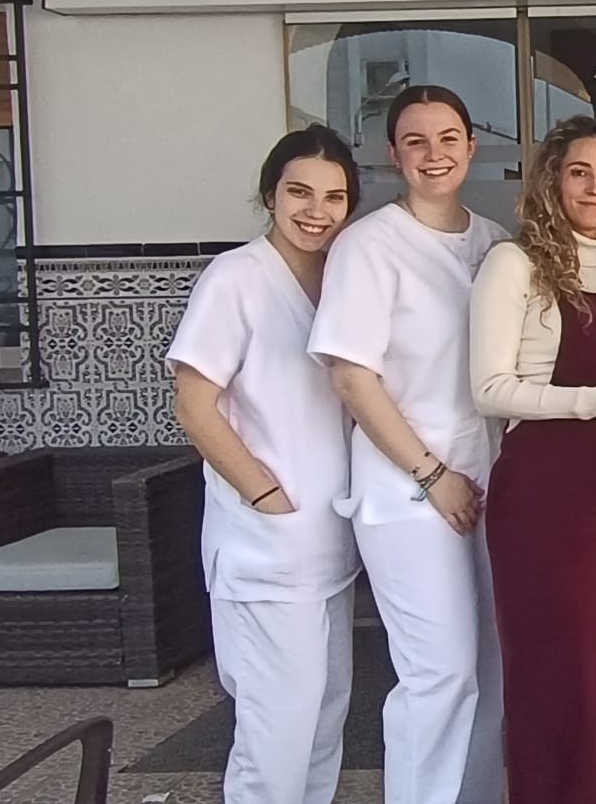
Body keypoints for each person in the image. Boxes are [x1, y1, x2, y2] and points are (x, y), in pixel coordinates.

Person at [308, 86, 511, 804]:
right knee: (439, 672)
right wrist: (432, 474)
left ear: (471, 147)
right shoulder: (369, 245)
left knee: (493, 668)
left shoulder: (494, 242)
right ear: (393, 155)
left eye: (448, 138)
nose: (434, 154)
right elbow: (351, 376)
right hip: (409, 493)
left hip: (490, 482)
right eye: (416, 141)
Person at [469, 116, 596, 803]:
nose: (595, 187)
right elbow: (489, 389)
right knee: (557, 670)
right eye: (579, 172)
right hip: (545, 497)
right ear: (552, 180)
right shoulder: (515, 263)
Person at [167, 125, 362, 804]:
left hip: (329, 547)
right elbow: (194, 406)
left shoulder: (339, 278)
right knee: (275, 736)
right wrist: (264, 495)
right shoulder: (236, 278)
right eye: (300, 192)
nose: (316, 210)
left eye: (334, 197)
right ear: (269, 194)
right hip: (266, 549)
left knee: (323, 723)